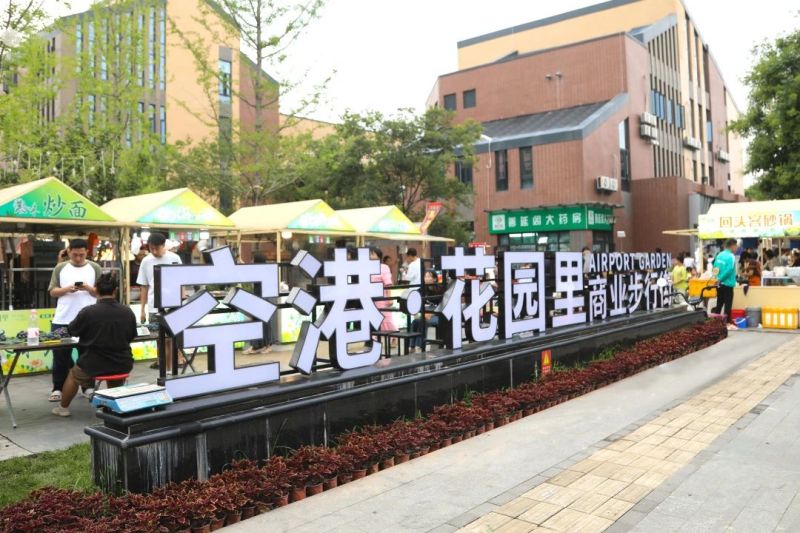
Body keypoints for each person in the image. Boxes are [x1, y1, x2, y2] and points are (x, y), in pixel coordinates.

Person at [52, 273, 137, 417]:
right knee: (114, 374)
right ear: (115, 291)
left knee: (73, 375)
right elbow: (131, 336)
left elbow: (72, 330)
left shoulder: (88, 312)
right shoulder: (127, 311)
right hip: (122, 362)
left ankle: (63, 408)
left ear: (96, 290)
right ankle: (114, 406)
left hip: (93, 364)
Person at [47, 239, 102, 402]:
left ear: (87, 253)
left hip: (89, 320)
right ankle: (58, 388)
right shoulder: (60, 268)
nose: (78, 258)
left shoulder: (95, 268)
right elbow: (52, 291)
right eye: (75, 254)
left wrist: (89, 288)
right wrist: (66, 289)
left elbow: (101, 292)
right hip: (63, 318)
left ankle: (88, 387)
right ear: (69, 251)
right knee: (60, 356)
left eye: (82, 255)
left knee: (88, 355)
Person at [136, 233, 182, 369]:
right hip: (153, 306)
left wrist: (181, 301)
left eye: (157, 248)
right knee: (159, 339)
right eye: (152, 248)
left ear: (164, 245)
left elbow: (182, 281)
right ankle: (163, 366)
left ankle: (172, 367)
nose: (155, 251)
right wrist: (142, 310)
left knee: (172, 338)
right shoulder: (146, 261)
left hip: (173, 305)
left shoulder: (174, 258)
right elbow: (144, 286)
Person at [243, 254, 273, 355]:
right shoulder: (262, 270)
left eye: (253, 259)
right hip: (258, 298)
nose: (252, 261)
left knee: (264, 323)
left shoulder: (262, 271)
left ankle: (268, 346)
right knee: (256, 322)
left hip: (263, 299)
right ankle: (255, 346)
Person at [409, 271, 439, 353]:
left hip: (438, 315)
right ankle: (412, 346)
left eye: (429, 276)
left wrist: (432, 313)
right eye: (425, 276)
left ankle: (419, 346)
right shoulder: (421, 289)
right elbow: (416, 302)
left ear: (434, 279)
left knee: (422, 322)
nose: (426, 278)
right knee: (415, 322)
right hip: (425, 314)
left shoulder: (439, 289)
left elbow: (441, 304)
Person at [370, 247, 397, 334]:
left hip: (382, 299)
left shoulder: (384, 267)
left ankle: (393, 337)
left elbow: (388, 284)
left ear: (378, 256)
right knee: (374, 321)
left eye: (372, 254)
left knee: (386, 320)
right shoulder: (366, 268)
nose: (370, 255)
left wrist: (389, 298)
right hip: (371, 300)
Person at [712, 239, 738, 322]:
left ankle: (715, 322)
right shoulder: (731, 256)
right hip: (727, 284)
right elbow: (729, 270)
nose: (736, 248)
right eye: (736, 246)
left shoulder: (720, 255)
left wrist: (716, 278)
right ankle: (727, 323)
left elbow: (715, 267)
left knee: (719, 304)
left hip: (718, 284)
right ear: (732, 246)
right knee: (728, 305)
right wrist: (720, 279)